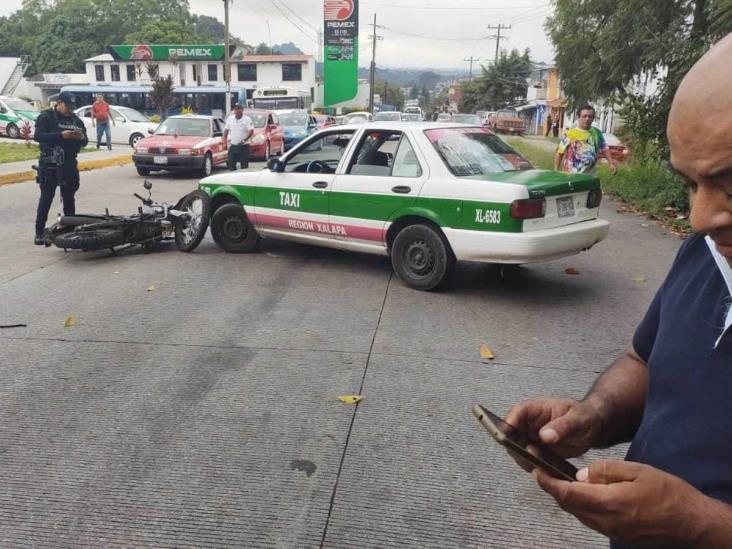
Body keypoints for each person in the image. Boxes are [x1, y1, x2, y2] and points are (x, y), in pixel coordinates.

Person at [506, 33, 732, 548]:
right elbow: (645, 361)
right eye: (689, 185)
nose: (699, 218)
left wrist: (700, 523)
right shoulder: (706, 253)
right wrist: (592, 417)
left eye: (730, 186)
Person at [33, 91, 88, 245]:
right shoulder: (47, 117)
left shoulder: (75, 120)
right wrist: (61, 135)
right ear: (59, 103)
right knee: (47, 197)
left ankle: (69, 227)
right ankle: (39, 231)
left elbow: (85, 141)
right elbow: (38, 136)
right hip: (51, 163)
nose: (70, 109)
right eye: (67, 106)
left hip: (69, 162)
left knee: (69, 197)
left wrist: (81, 137)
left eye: (72, 106)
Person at [554, 104, 616, 174]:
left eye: (590, 116)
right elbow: (560, 152)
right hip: (570, 175)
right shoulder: (570, 133)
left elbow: (605, 148)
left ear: (593, 118)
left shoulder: (597, 133)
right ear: (578, 117)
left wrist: (611, 163)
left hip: (589, 176)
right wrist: (556, 170)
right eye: (584, 116)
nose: (587, 119)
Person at [222, 103, 253, 170]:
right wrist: (224, 143)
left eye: (238, 109)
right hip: (233, 146)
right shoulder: (230, 119)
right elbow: (225, 132)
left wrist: (244, 140)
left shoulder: (247, 119)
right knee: (231, 165)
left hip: (244, 147)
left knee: (244, 167)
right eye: (235, 109)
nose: (236, 110)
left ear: (242, 110)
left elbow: (251, 131)